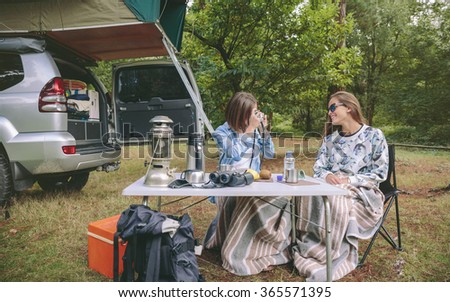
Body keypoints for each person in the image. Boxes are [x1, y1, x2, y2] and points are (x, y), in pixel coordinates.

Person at [292, 91, 389, 281]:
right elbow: (318, 168)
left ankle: (329, 254)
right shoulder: (330, 140)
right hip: (328, 187)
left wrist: (348, 181)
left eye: (333, 107)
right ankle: (310, 248)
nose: (330, 112)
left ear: (349, 107)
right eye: (329, 109)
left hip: (362, 192)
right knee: (303, 193)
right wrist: (328, 175)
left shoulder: (374, 136)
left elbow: (380, 173)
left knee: (335, 198)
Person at [204, 91, 292, 275]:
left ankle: (260, 249)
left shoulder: (255, 132)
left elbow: (269, 154)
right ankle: (239, 249)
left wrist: (264, 130)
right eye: (254, 111)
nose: (257, 115)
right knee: (248, 206)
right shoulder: (222, 132)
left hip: (252, 183)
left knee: (275, 202)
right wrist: (250, 130)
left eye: (257, 111)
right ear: (241, 112)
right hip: (229, 186)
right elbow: (233, 153)